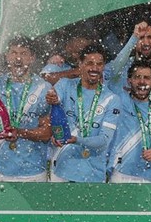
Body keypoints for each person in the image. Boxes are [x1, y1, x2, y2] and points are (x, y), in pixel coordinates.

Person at [0, 36, 53, 182]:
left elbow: (46, 133)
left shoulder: (44, 88)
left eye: (24, 53)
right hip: (1, 170)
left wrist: (19, 132)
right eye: (14, 53)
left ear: (32, 58)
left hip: (34, 171)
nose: (18, 58)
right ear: (7, 57)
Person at [47, 44, 120, 183]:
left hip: (92, 173)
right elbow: (53, 103)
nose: (94, 68)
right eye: (89, 63)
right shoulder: (64, 85)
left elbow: (104, 141)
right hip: (61, 168)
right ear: (80, 64)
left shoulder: (112, 99)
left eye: (99, 64)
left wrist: (77, 140)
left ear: (103, 66)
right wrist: (52, 98)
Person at [109, 60, 151, 183]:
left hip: (148, 177)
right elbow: (110, 72)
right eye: (137, 77)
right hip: (119, 174)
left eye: (147, 78)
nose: (142, 81)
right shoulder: (118, 101)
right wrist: (133, 40)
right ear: (129, 81)